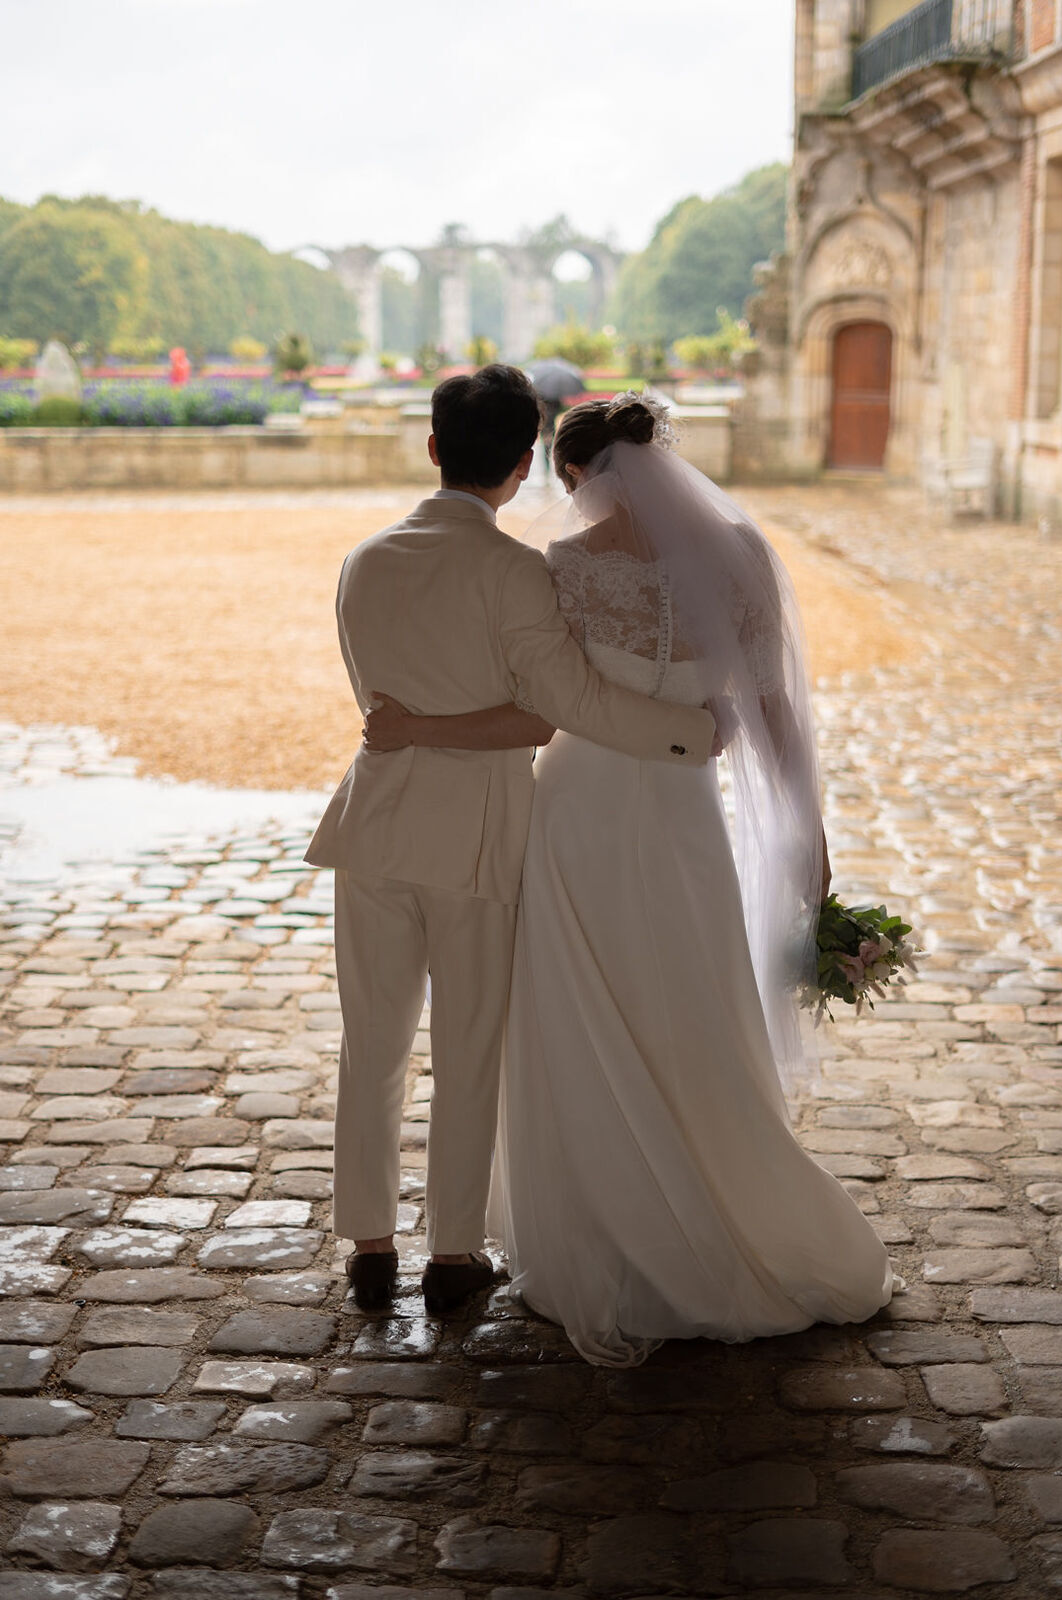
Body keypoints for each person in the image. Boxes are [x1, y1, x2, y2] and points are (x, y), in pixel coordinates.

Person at [363, 392, 895, 1364]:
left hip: (578, 815)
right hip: (683, 817)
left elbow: (537, 703)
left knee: (579, 1016)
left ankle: (598, 1234)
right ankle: (728, 1209)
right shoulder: (740, 557)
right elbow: (772, 713)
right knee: (691, 1007)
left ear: (574, 473)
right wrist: (807, 836)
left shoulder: (564, 568)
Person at [305, 367, 717, 1318]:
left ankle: (369, 1244)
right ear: (524, 463)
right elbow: (561, 706)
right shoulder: (512, 571)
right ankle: (453, 1254)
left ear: (433, 447)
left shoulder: (363, 559)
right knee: (469, 1047)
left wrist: (418, 728)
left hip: (373, 824)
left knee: (372, 1044)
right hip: (478, 841)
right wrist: (686, 734)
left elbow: (381, 701)